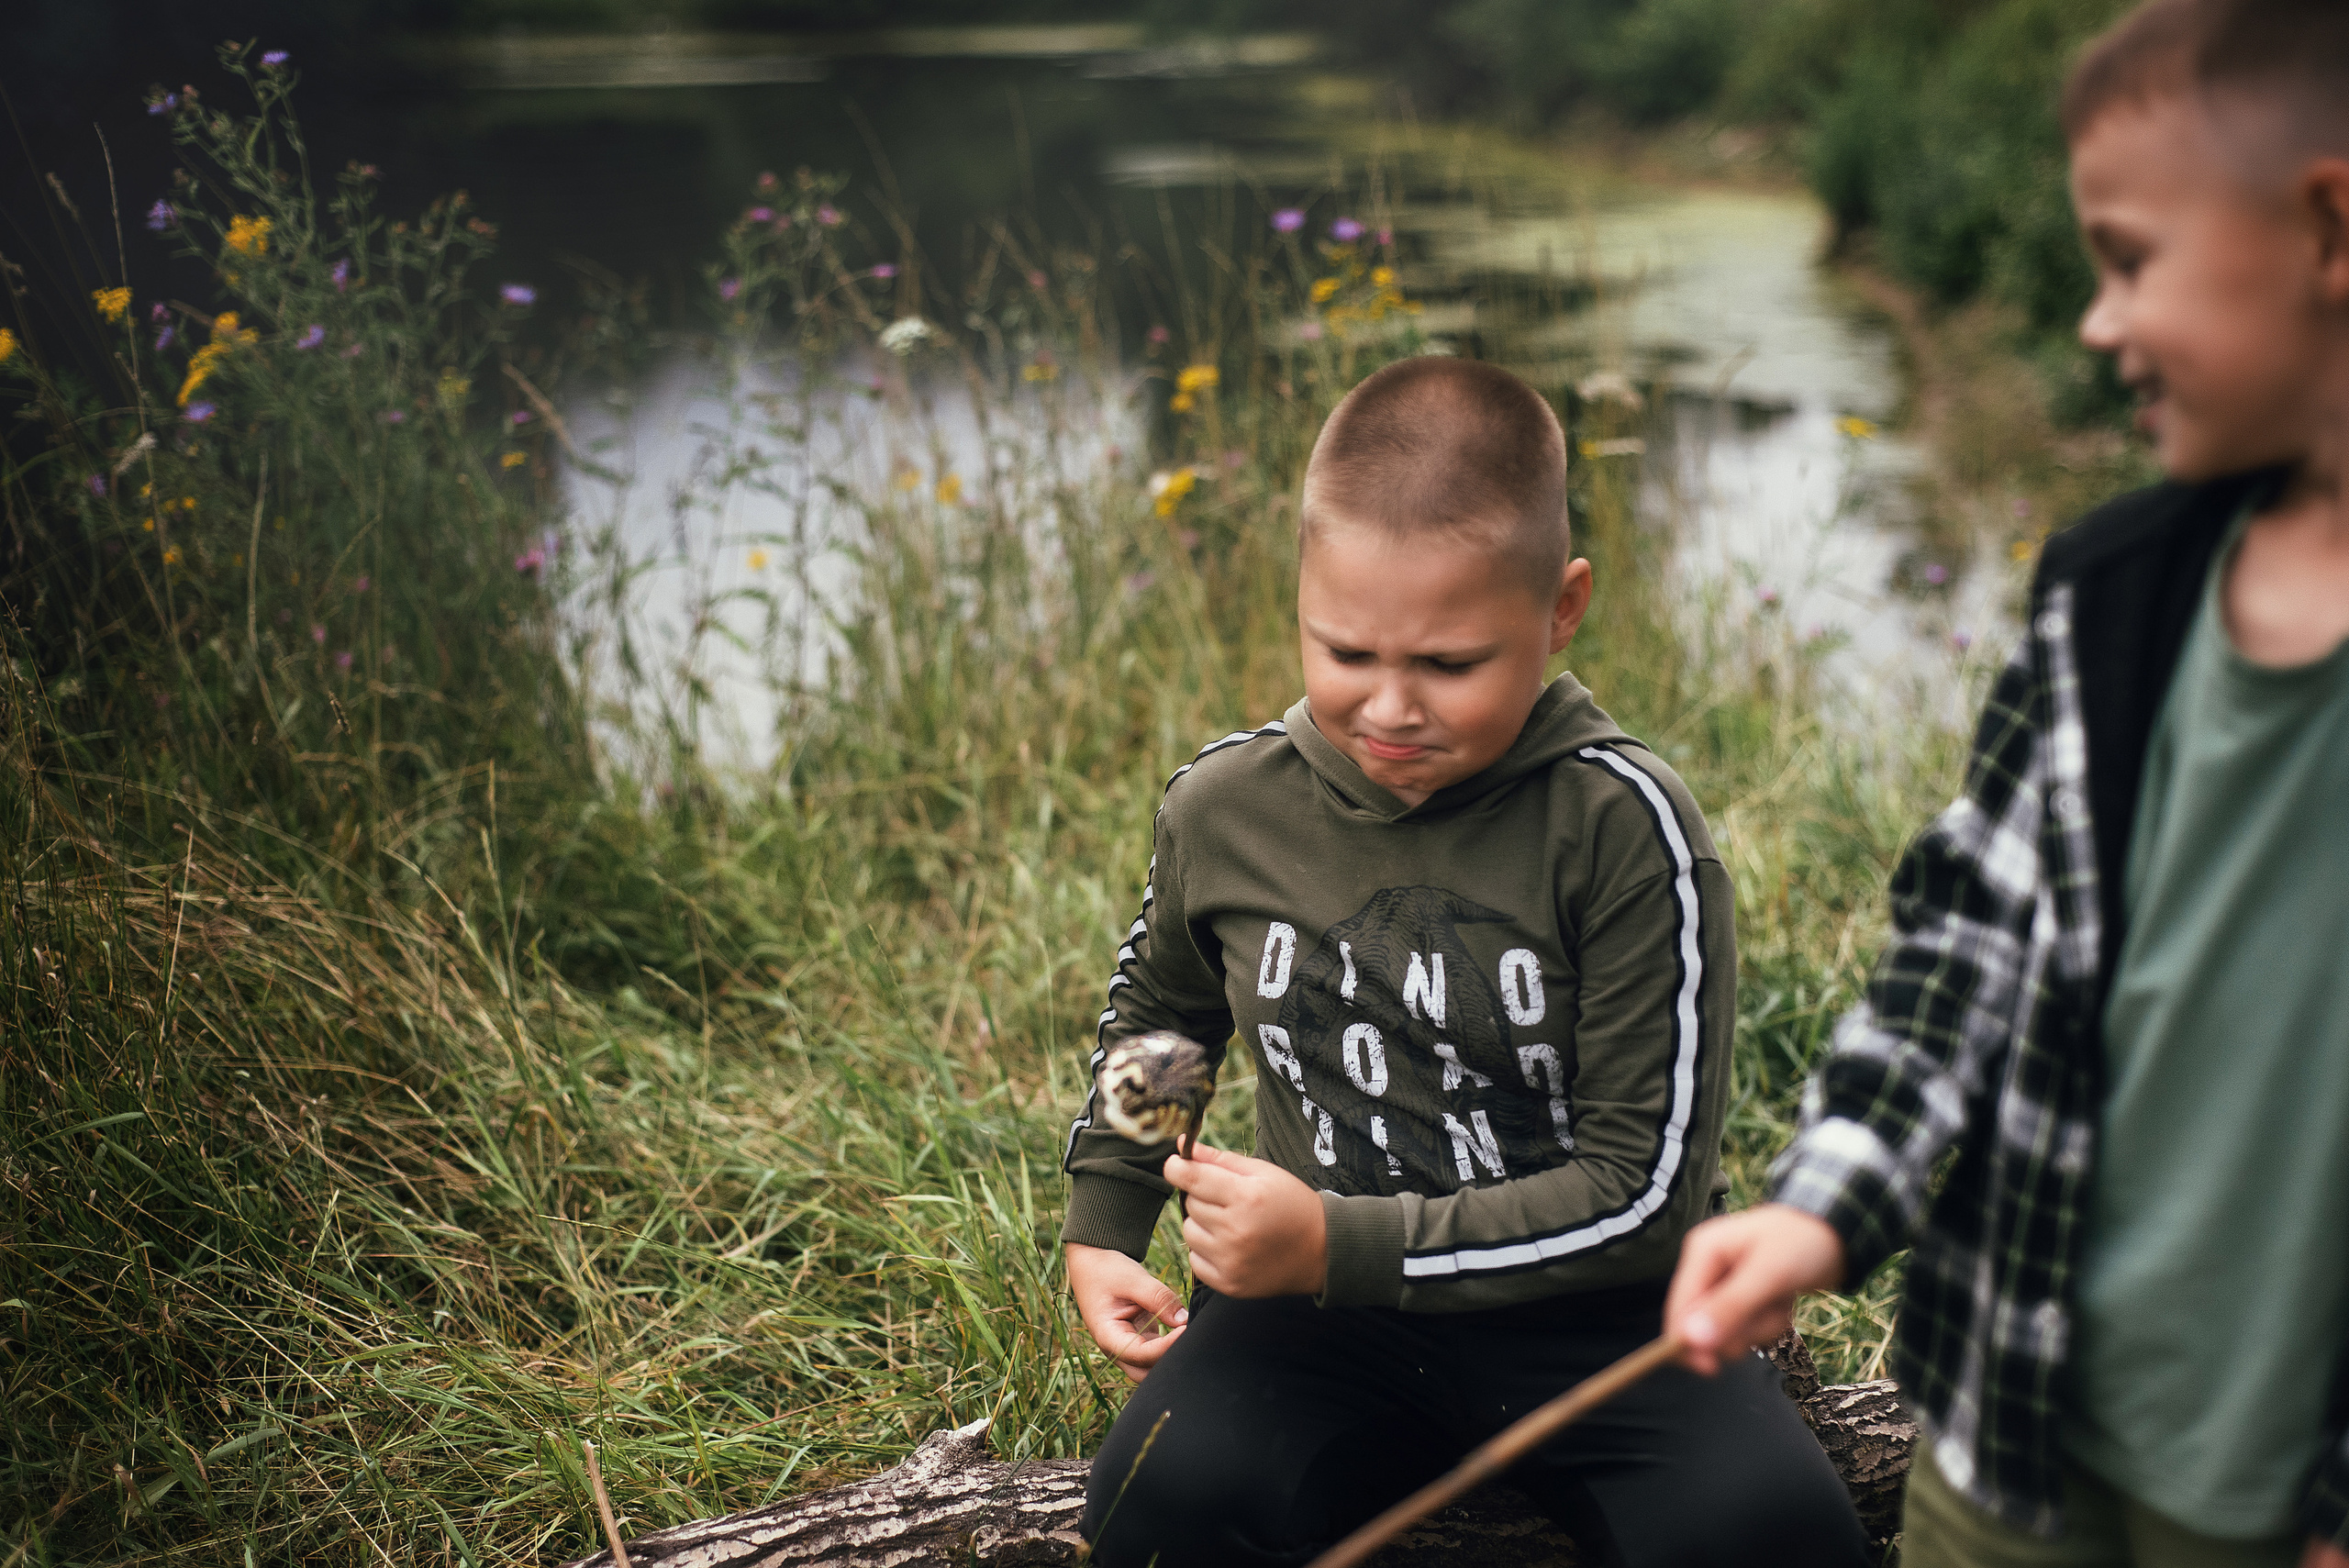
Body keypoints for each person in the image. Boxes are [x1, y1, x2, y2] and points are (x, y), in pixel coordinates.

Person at [1662, 2, 2349, 1564]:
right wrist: (1822, 1202)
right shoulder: (2108, 593)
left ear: (2325, 227)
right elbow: (1967, 940)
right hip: (2018, 1418)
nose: (2098, 325)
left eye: (2127, 259)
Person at [1059, 355, 1868, 1568]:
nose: (1389, 707)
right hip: (1310, 1322)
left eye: (1448, 664)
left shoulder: (1626, 826)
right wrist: (1106, 1220)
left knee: (1769, 1533)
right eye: (1345, 651)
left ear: (1561, 608)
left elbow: (1642, 1193)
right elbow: (1166, 1017)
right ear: (1301, 598)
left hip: (1600, 1325)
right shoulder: (1226, 807)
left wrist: (1335, 1237)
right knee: (1156, 1505)